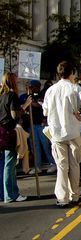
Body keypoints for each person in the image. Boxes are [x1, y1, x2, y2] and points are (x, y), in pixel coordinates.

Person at [43, 61, 81, 207]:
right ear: (71, 73)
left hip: (57, 133)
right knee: (75, 165)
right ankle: (75, 193)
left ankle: (62, 197)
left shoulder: (50, 90)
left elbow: (45, 111)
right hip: (73, 132)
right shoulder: (75, 88)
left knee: (62, 166)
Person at [0, 72, 27, 203]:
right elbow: (14, 116)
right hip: (8, 132)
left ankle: (4, 193)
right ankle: (10, 195)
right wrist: (24, 107)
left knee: (4, 164)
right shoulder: (11, 96)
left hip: (1, 131)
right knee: (9, 165)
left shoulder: (1, 96)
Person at [20, 80, 57, 174]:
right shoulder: (23, 96)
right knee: (35, 147)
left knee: (45, 145)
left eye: (36, 87)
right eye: (31, 87)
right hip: (29, 125)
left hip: (40, 124)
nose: (33, 88)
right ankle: (38, 166)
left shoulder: (41, 96)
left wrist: (31, 103)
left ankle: (53, 163)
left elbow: (41, 106)